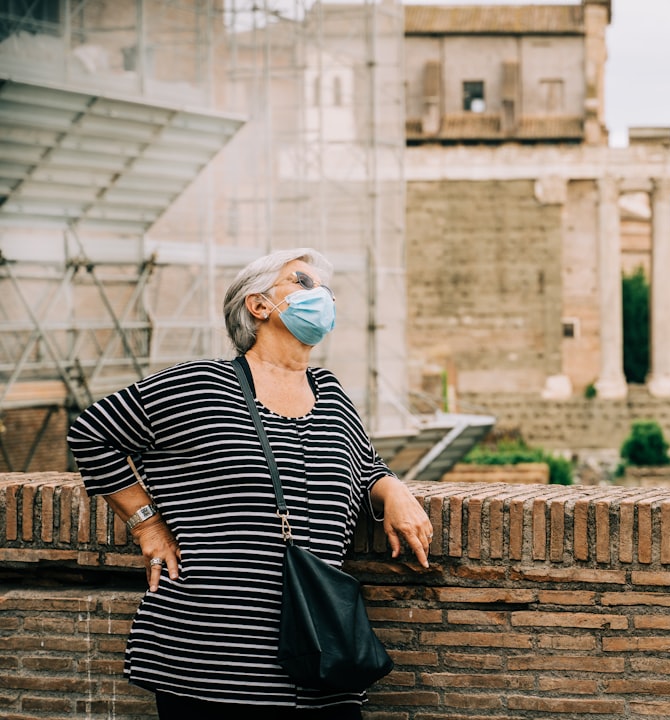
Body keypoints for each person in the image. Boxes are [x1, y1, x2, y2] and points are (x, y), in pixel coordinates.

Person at [67, 248, 432, 718]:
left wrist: (394, 490)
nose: (321, 295)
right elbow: (92, 432)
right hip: (210, 660)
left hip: (322, 653)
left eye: (326, 290)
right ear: (258, 306)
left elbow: (366, 464)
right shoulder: (200, 384)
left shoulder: (331, 392)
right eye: (303, 283)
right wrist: (146, 525)